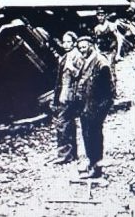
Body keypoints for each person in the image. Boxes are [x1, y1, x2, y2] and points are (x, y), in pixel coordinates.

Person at [76, 36, 115, 179]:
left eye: (84, 47)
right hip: (86, 105)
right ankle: (91, 162)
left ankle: (97, 169)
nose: (82, 50)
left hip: (96, 106)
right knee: (87, 134)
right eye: (80, 48)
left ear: (91, 46)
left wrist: (101, 109)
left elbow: (110, 90)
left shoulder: (100, 62)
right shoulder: (86, 61)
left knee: (94, 135)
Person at [52, 31, 84, 164]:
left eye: (69, 42)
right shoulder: (66, 56)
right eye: (64, 42)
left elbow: (81, 75)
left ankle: (65, 155)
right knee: (67, 123)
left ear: (74, 42)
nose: (66, 44)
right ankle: (70, 154)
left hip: (70, 94)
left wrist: (72, 69)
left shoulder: (76, 56)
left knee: (63, 123)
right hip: (64, 93)